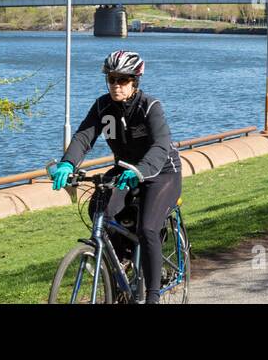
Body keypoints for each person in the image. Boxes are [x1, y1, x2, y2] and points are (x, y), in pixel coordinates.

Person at [47, 50, 182, 304]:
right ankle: (123, 260)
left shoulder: (150, 107)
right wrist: (67, 164)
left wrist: (139, 171)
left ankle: (152, 295)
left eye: (122, 80)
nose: (116, 85)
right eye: (111, 79)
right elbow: (84, 137)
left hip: (161, 171)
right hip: (124, 169)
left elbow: (161, 146)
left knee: (148, 228)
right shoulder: (102, 106)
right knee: (99, 208)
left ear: (134, 81)